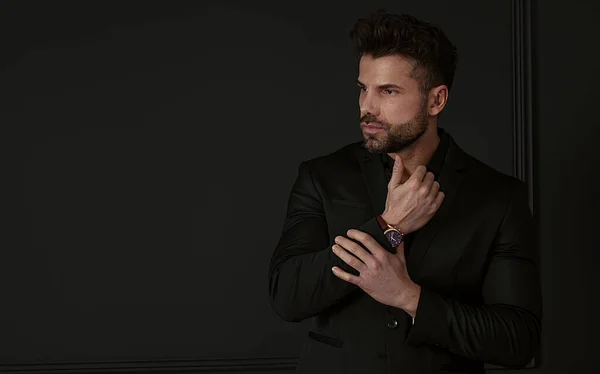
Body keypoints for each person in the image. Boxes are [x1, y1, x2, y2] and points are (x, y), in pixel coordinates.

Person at [267, 9, 542, 374]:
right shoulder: (322, 176)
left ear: (436, 100)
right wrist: (387, 225)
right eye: (363, 89)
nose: (367, 107)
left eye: (388, 91)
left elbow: (518, 340)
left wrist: (409, 298)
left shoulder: (499, 197)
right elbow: (288, 296)